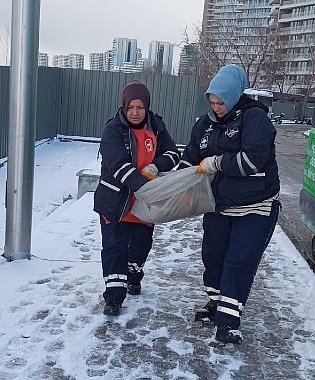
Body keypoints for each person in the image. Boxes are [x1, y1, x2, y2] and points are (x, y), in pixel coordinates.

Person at [178, 65, 280, 344]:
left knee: (238, 262)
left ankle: (228, 322)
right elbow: (190, 158)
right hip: (219, 205)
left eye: (220, 102)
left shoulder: (255, 120)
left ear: (235, 96)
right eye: (212, 101)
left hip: (255, 206)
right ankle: (215, 303)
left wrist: (217, 162)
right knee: (212, 258)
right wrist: (179, 184)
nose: (216, 107)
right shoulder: (205, 124)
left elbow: (252, 161)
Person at [93, 80, 180, 316]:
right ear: (123, 106)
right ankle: (113, 296)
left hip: (143, 205)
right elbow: (118, 165)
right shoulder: (113, 130)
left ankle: (134, 275)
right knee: (114, 248)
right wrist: (142, 185)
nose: (135, 112)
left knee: (140, 248)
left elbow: (173, 154)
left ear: (147, 107)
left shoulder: (156, 126)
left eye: (140, 107)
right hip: (115, 203)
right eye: (130, 106)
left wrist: (156, 165)